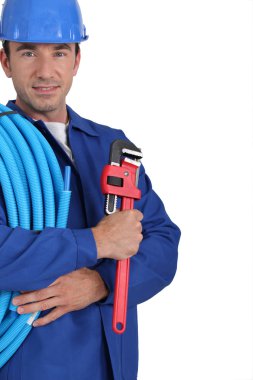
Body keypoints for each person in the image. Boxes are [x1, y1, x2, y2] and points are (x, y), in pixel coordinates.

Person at [0, 0, 181, 379]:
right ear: (6, 61)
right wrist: (95, 243)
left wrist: (101, 283)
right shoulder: (4, 150)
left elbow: (162, 240)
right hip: (30, 365)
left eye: (60, 52)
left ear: (76, 61)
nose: (45, 70)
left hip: (112, 366)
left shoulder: (111, 147)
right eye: (29, 52)